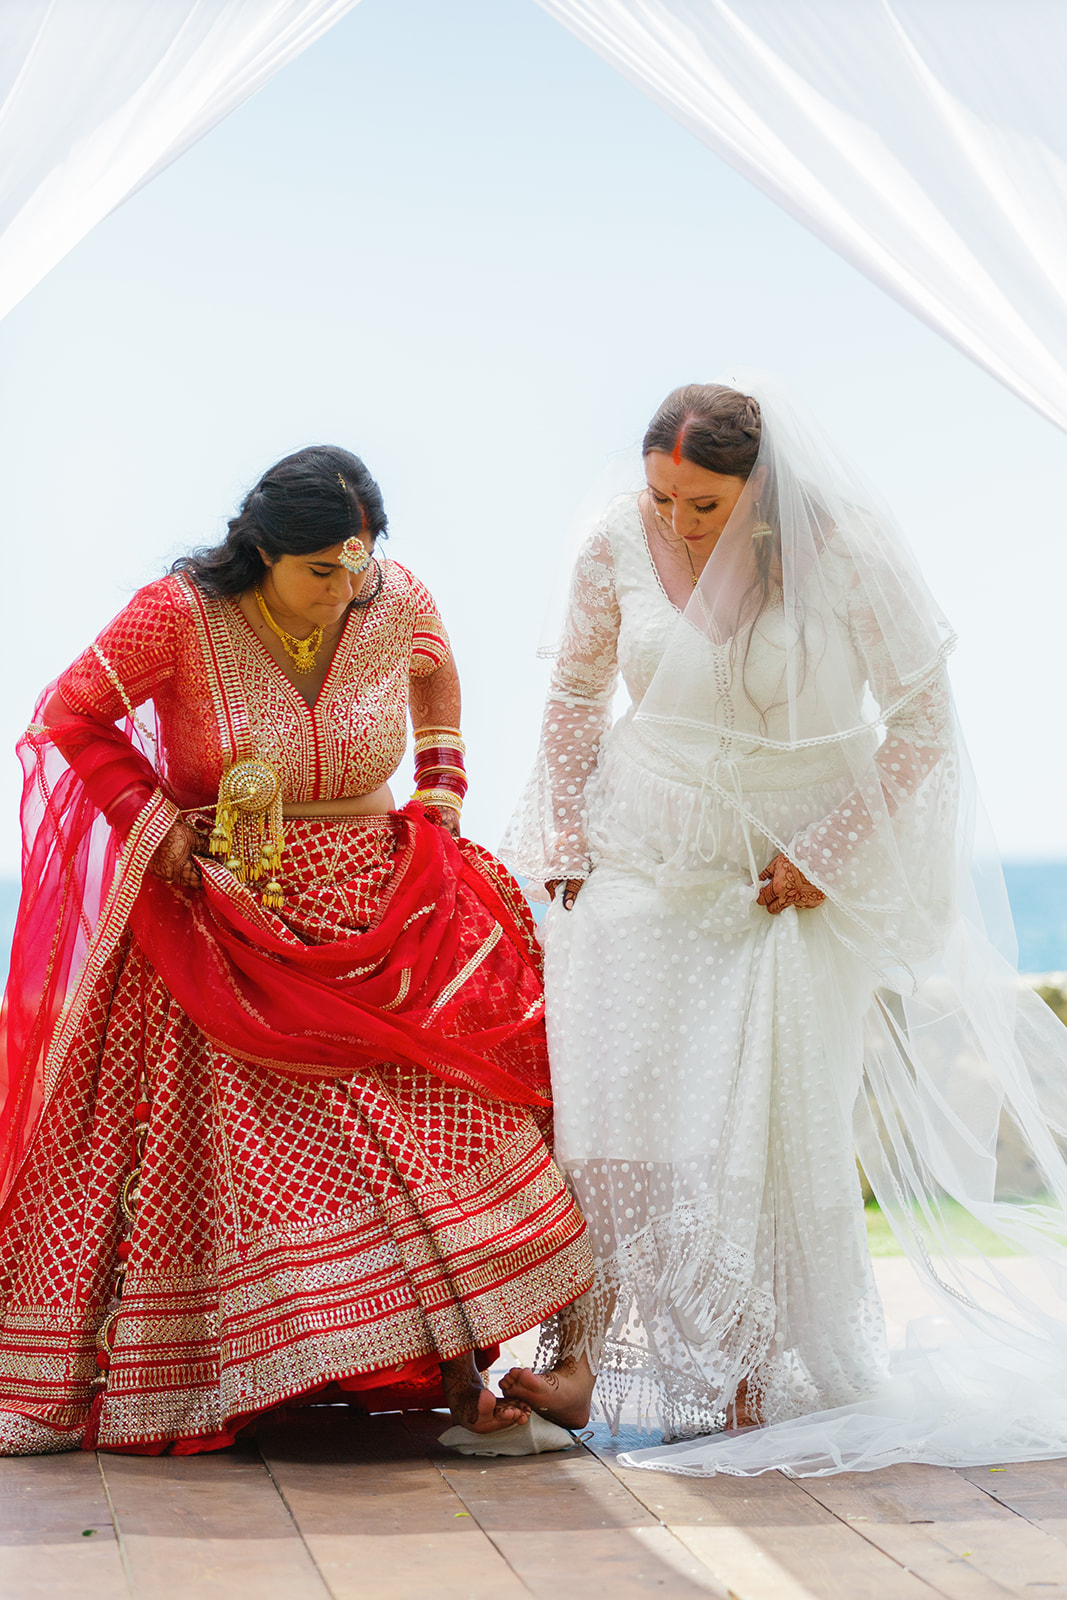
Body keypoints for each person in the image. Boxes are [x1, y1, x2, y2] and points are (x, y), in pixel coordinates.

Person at [500, 383, 1067, 1476]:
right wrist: (565, 832)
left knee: (759, 1120)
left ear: (759, 491)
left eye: (701, 505)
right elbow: (573, 694)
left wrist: (828, 851)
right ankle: (575, 1355)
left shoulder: (846, 555)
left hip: (785, 877)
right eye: (662, 497)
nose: (675, 522)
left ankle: (749, 1370)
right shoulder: (616, 539)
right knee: (606, 1103)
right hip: (637, 857)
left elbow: (919, 722)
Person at [0, 446, 592, 1457]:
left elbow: (436, 678)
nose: (341, 591)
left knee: (445, 1121)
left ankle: (467, 1369)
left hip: (383, 902)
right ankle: (318, 1368)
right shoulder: (178, 614)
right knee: (324, 1144)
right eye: (319, 571)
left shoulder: (392, 596)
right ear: (262, 551)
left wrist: (440, 806)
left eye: (354, 569)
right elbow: (70, 713)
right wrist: (157, 826)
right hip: (227, 921)